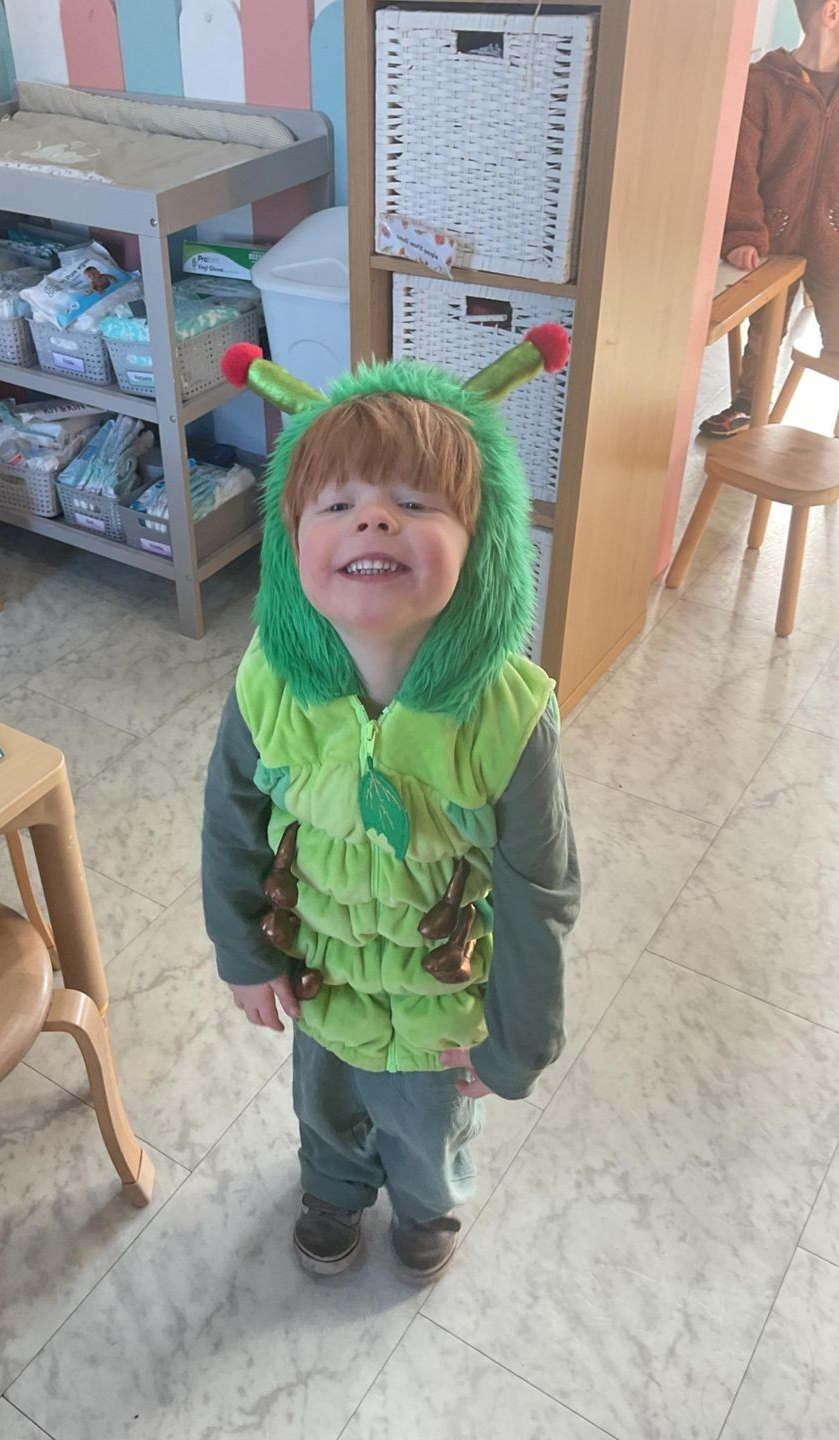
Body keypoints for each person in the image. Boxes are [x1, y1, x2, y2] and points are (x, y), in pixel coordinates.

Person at [201, 328, 581, 1282]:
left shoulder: (510, 718)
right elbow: (230, 827)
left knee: (425, 1123)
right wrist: (244, 952)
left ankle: (424, 1206)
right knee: (325, 1106)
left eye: (413, 503)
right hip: (321, 981)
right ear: (293, 545)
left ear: (480, 542)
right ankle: (331, 1188)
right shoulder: (266, 685)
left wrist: (516, 1042)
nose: (373, 520)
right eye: (337, 505)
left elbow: (539, 893)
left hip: (439, 1007)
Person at [700, 0, 839, 438]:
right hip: (773, 237)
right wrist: (743, 233)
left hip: (833, 239)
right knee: (764, 333)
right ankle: (747, 404)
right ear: (831, 13)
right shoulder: (762, 85)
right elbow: (738, 168)